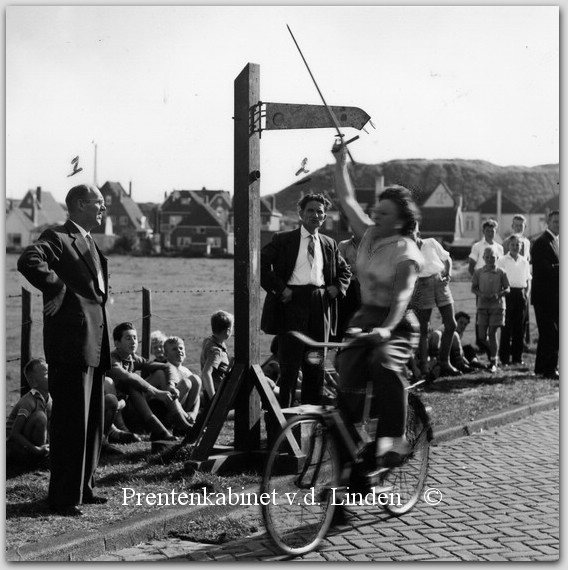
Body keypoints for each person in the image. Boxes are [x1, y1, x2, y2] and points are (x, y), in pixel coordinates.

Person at [18, 183, 111, 516]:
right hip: (71, 345)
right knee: (71, 423)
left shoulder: (89, 241)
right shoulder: (58, 236)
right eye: (99, 203)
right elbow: (29, 259)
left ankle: (83, 488)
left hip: (95, 344)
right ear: (81, 205)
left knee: (93, 421)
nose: (105, 208)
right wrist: (56, 286)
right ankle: (63, 497)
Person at [332, 141, 423, 468]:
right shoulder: (369, 235)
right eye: (376, 211)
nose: (375, 216)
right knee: (345, 387)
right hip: (365, 318)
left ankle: (392, 441)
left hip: (396, 326)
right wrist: (340, 161)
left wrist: (385, 328)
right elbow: (347, 200)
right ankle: (354, 461)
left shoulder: (407, 253)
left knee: (384, 362)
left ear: (399, 221)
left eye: (383, 213)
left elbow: (401, 297)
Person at [260, 193, 351, 408]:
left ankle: (309, 424)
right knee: (289, 368)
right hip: (291, 306)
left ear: (325, 216)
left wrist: (335, 289)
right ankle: (284, 424)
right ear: (301, 214)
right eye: (310, 210)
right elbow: (261, 265)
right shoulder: (283, 240)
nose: (315, 215)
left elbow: (344, 271)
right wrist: (281, 290)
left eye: (320, 211)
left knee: (315, 365)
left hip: (319, 308)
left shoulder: (329, 244)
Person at [106, 322, 194, 440]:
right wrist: (156, 392)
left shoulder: (133, 358)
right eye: (128, 338)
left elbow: (167, 366)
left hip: (133, 407)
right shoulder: (112, 360)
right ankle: (161, 430)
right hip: (118, 411)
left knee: (160, 374)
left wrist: (171, 385)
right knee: (133, 385)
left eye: (135, 338)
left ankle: (180, 420)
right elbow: (128, 377)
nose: (133, 342)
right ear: (117, 343)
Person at [411, 224, 460, 378]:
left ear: (417, 232)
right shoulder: (406, 251)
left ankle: (444, 362)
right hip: (422, 285)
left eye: (410, 232)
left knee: (451, 324)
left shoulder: (431, 242)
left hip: (440, 282)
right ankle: (425, 366)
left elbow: (447, 258)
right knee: (424, 327)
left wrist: (449, 274)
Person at [471, 248, 510, 373]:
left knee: (492, 333)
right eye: (487, 257)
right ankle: (493, 353)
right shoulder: (478, 272)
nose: (489, 259)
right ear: (483, 258)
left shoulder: (501, 272)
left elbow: (507, 288)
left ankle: (494, 361)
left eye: (492, 257)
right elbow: (474, 288)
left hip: (497, 306)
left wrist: (499, 294)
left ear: (497, 258)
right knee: (482, 336)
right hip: (482, 306)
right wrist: (481, 294)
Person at [531, 210, 559, 380]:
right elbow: (543, 269)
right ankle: (550, 369)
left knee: (546, 334)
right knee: (552, 334)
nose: (559, 225)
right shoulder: (542, 242)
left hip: (553, 296)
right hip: (544, 297)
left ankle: (540, 368)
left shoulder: (555, 241)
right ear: (548, 223)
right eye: (556, 222)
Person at [6, 359, 51, 467]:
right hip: (15, 447)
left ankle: (43, 456)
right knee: (40, 417)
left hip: (31, 444)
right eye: (47, 373)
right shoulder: (28, 401)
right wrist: (37, 450)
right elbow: (14, 434)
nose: (52, 375)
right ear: (34, 381)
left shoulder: (50, 399)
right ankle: (38, 458)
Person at [148, 336, 202, 426]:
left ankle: (188, 418)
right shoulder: (166, 370)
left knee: (196, 379)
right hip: (167, 411)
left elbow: (197, 397)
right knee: (185, 383)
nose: (179, 351)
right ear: (166, 355)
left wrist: (194, 413)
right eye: (174, 349)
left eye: (181, 348)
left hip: (185, 410)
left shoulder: (186, 371)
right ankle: (182, 420)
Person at [497, 234, 531, 366]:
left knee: (519, 328)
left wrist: (526, 294)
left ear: (521, 247)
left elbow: (528, 280)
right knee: (506, 327)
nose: (515, 247)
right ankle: (504, 358)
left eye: (518, 245)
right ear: (508, 246)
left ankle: (517, 358)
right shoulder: (502, 261)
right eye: (513, 245)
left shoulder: (524, 261)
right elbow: (499, 279)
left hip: (520, 295)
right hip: (508, 294)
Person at [200, 310, 234, 408]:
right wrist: (213, 399)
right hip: (219, 392)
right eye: (231, 329)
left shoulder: (209, 341)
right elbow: (206, 373)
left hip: (211, 389)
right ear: (227, 331)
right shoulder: (216, 351)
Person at [335, 234, 362, 341]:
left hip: (366, 287)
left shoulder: (373, 245)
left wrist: (350, 267)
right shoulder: (343, 245)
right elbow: (339, 266)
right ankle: (337, 346)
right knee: (342, 318)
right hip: (348, 286)